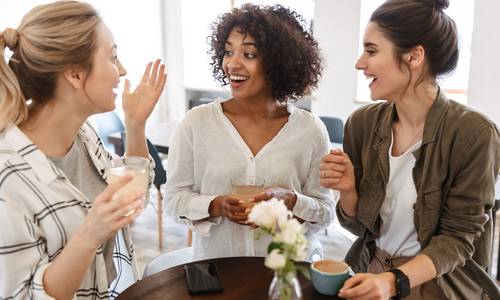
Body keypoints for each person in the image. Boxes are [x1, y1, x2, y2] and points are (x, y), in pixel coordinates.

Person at [319, 0, 500, 299]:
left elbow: (458, 239)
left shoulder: (475, 133)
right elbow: (359, 228)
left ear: (414, 56)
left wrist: (393, 281)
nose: (360, 63)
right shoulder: (361, 124)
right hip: (372, 272)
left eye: (372, 50)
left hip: (439, 283)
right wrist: (348, 190)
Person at [0, 1, 167, 299]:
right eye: (113, 56)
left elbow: (133, 187)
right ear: (75, 74)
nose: (123, 70)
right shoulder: (7, 180)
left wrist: (135, 124)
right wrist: (90, 234)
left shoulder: (83, 137)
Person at [166, 4, 333, 260]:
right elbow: (174, 200)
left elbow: (325, 212)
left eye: (249, 54)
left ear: (279, 62)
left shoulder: (310, 130)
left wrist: (292, 200)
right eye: (228, 52)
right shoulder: (196, 123)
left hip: (289, 276)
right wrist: (215, 205)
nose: (232, 64)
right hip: (220, 273)